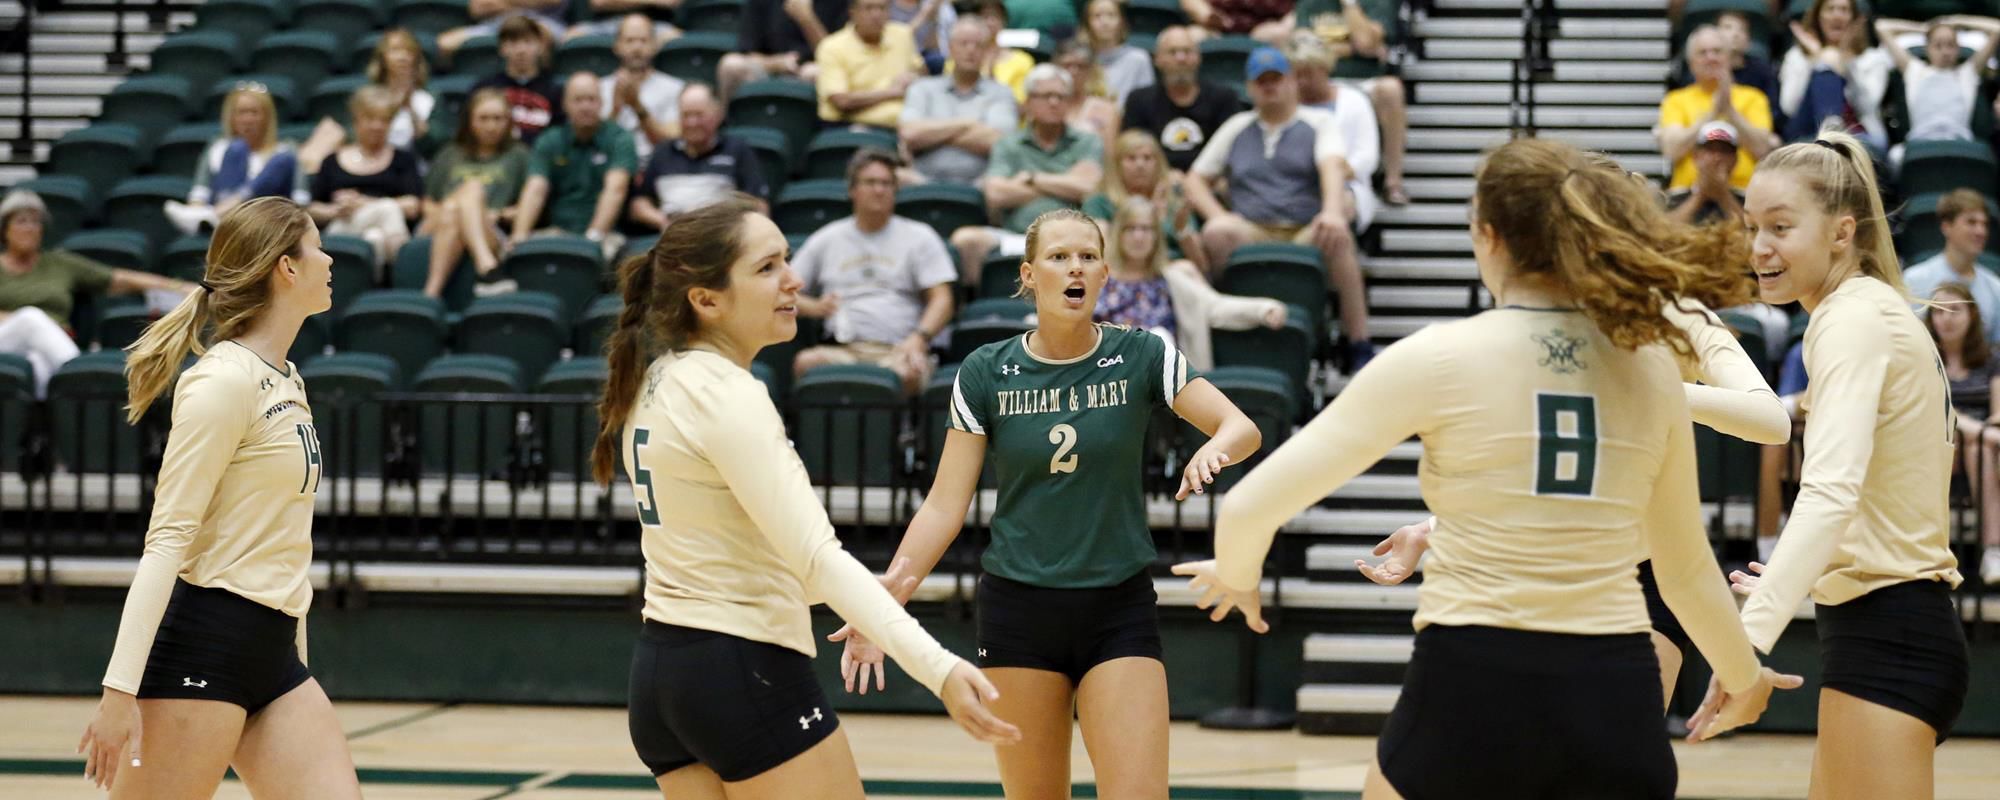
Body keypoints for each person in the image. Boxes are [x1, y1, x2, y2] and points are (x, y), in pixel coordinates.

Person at [1175, 137, 1798, 799]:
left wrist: (1236, 574)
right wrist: (1743, 674)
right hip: (1612, 688)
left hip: (1470, 677)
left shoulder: (1440, 355)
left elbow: (1250, 505)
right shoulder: (1652, 369)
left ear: (1489, 236)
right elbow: (1686, 572)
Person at [590, 196, 1017, 797]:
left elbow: (779, 558)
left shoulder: (657, 378)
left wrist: (869, 607)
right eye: (766, 268)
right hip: (742, 672)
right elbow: (816, 559)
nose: (793, 279)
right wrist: (939, 668)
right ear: (706, 300)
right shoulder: (729, 393)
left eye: (786, 259)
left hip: (663, 674)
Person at [834, 207, 1263, 800]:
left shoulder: (1142, 354)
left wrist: (1213, 450)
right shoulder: (986, 372)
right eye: (1059, 257)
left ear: (1105, 273)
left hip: (1118, 608)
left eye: (1087, 256)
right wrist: (884, 604)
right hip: (1018, 613)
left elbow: (1241, 428)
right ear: (1030, 275)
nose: (1074, 267)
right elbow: (942, 505)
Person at [1358, 155, 1792, 720]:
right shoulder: (1545, 321)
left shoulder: (1681, 314)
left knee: (1614, 758)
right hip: (1552, 556)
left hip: (1653, 559)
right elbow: (1542, 467)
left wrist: (1655, 393)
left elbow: (1771, 421)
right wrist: (1433, 528)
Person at [77, 197, 353, 797]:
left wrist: (295, 645)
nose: (330, 259)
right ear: (286, 267)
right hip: (202, 648)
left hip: (272, 653)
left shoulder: (285, 376)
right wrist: (118, 693)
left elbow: (279, 537)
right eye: (317, 247)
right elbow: (167, 539)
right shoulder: (221, 381)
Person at [1729, 132, 1970, 797]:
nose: (1760, 247)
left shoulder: (1850, 320)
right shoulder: (1863, 311)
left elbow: (1830, 491)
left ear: (1841, 231)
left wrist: (1747, 639)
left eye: (1781, 227)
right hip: (1879, 627)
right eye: (1753, 227)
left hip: (1891, 635)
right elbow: (1777, 420)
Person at [1186, 46, 1374, 369]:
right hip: (1252, 228)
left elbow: (1331, 166)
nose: (1270, 86)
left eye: (1277, 79)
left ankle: (1358, 340)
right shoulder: (1237, 126)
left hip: (1303, 227)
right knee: (1217, 231)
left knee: (1337, 231)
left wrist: (1330, 211)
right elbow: (1195, 179)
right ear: (1249, 87)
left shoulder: (1318, 121)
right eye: (1262, 81)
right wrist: (1219, 215)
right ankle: (1222, 321)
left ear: (1291, 82)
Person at [792, 149, 956, 396]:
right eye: (870, 183)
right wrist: (815, 307)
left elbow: (943, 299)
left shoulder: (920, 236)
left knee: (910, 372)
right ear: (852, 190)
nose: (879, 190)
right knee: (807, 363)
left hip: (899, 350)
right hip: (842, 350)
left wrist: (919, 338)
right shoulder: (826, 239)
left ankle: (905, 434)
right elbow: (782, 292)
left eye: (886, 184)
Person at [0, 190, 193, 397]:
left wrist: (183, 288)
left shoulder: (58, 263)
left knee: (39, 365)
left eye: (36, 222)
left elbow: (120, 279)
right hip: (6, 338)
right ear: (5, 229)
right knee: (31, 318)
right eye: (22, 222)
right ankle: (84, 373)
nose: (30, 229)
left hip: (47, 347)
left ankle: (46, 425)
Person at [948, 64, 1103, 285]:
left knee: (1104, 235)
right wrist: (1067, 182)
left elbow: (1090, 188)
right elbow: (996, 194)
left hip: (1073, 240)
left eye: (1061, 97)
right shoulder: (1008, 144)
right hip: (1018, 236)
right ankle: (979, 311)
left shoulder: (1087, 142)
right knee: (966, 240)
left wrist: (1032, 179)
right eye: (1046, 96)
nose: (1054, 102)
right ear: (1028, 102)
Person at [1100, 196, 1286, 371]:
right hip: (1111, 375)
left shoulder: (1171, 278)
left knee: (1158, 337)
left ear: (1157, 236)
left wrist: (1264, 310)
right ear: (1118, 234)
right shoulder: (1099, 282)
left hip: (1160, 376)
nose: (1138, 237)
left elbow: (1215, 306)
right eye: (1130, 229)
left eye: (1146, 229)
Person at [1256, 0, 1410, 204]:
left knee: (1391, 90)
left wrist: (1350, 5)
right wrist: (1349, 48)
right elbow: (1300, 49)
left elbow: (1365, 43)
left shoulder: (1377, 3)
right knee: (1280, 85)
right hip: (1316, 78)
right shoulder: (1310, 3)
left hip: (1364, 81)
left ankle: (1393, 182)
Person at [510, 72, 638, 262]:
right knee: (526, 255)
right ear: (565, 105)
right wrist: (519, 238)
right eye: (578, 100)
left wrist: (592, 240)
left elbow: (615, 190)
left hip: (606, 235)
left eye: (591, 99)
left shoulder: (620, 138)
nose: (585, 106)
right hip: (557, 232)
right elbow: (535, 189)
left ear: (602, 103)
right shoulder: (550, 140)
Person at [420, 89, 533, 299]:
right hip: (436, 224)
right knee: (468, 192)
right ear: (470, 121)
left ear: (508, 122)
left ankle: (430, 294)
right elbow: (426, 204)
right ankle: (487, 267)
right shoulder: (449, 153)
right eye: (483, 118)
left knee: (458, 208)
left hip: (490, 230)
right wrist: (457, 209)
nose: (491, 126)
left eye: (498, 118)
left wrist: (496, 214)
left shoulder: (520, 155)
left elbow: (528, 207)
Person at [1923, 283, 2000, 584]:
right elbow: (1937, 414)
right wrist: (1981, 432)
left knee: (1977, 448)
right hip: (1937, 447)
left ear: (1972, 315)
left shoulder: (1992, 360)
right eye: (1939, 312)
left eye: (1955, 310)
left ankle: (1993, 552)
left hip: (1984, 451)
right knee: (1973, 442)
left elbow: (1997, 413)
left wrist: (1984, 434)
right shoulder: (1926, 359)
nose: (1947, 319)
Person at [303, 87, 425, 270]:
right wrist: (337, 210)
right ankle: (404, 269)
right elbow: (312, 208)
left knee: (374, 237)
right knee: (388, 208)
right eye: (370, 118)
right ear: (356, 120)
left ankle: (366, 285)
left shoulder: (403, 159)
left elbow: (413, 206)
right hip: (342, 227)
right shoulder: (332, 161)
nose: (377, 126)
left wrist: (364, 203)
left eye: (384, 120)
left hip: (380, 235)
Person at [630, 83, 772, 230]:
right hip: (673, 239)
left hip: (722, 236)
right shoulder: (662, 152)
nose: (692, 123)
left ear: (718, 115)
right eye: (686, 115)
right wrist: (661, 220)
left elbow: (758, 204)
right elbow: (639, 204)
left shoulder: (737, 149)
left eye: (699, 115)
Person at [164, 84, 301, 236]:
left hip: (267, 222)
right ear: (232, 117)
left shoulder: (284, 150)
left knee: (283, 160)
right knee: (237, 148)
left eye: (254, 113)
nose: (248, 119)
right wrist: (195, 210)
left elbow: (300, 200)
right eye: (242, 113)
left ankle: (216, 214)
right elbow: (200, 192)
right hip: (224, 218)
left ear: (267, 117)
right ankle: (217, 217)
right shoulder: (218, 147)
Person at [1657, 25, 1779, 194]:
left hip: (1744, 192)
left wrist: (1730, 112)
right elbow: (1673, 149)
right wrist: (1713, 113)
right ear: (1691, 63)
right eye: (1703, 52)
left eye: (1717, 51)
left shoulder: (1754, 97)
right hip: (1687, 192)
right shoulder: (1676, 100)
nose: (1711, 57)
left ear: (1729, 58)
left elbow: (1762, 150)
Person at [899, 17, 1018, 186]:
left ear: (986, 52)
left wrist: (933, 135)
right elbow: (909, 134)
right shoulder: (922, 88)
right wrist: (968, 125)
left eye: (978, 45)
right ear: (950, 48)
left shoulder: (1001, 93)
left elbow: (1000, 142)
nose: (971, 50)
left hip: (980, 185)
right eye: (964, 43)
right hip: (920, 180)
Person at [1121, 25, 1241, 174]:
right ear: (1157, 59)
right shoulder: (1138, 101)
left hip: (1208, 182)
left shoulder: (1224, 99)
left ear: (1198, 58)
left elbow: (1233, 154)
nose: (1181, 58)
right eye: (1172, 52)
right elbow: (1131, 151)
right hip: (1154, 184)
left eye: (1187, 51)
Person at [1084, 129, 1204, 272]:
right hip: (1124, 275)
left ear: (1158, 164)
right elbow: (1101, 256)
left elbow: (1202, 265)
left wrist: (1182, 230)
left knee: (1185, 269)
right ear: (1116, 165)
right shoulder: (1099, 202)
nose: (1140, 165)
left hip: (1177, 274)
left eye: (1147, 158)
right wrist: (1154, 221)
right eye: (1131, 158)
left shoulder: (1174, 201)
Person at [1779, 0, 1891, 146]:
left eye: (1844, 10)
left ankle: (1832, 127)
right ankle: (1831, 125)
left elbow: (1867, 107)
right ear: (1818, 18)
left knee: (1828, 61)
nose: (1837, 16)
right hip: (1807, 130)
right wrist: (1817, 60)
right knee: (1825, 65)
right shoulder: (1797, 56)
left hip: (1859, 132)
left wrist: (1846, 67)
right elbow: (1789, 107)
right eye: (1830, 9)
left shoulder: (1872, 59)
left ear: (1854, 19)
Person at [1878, 16, 2000, 147]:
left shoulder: (1967, 74)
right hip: (1919, 143)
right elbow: (1882, 27)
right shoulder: (1914, 71)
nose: (1945, 52)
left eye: (1951, 45)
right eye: (1938, 45)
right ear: (1927, 48)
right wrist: (1924, 28)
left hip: (1960, 144)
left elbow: (1997, 29)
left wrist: (1958, 21)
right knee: (1895, 156)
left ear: (1958, 48)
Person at [1904, 187, 2000, 344]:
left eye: (1984, 224)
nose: (1981, 231)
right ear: (1946, 226)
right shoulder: (1914, 280)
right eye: (1971, 222)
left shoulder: (1995, 287)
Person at [814, 0, 924, 129]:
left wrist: (915, 76)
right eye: (868, 8)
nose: (876, 15)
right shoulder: (832, 47)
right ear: (853, 13)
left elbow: (921, 71)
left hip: (909, 123)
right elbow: (841, 100)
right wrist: (892, 92)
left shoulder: (902, 35)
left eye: (882, 8)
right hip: (855, 126)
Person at [716, 0, 847, 102]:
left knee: (812, 72)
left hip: (816, 67)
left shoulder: (841, 3)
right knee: (731, 65)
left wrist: (806, 19)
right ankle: (731, 129)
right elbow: (746, 51)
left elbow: (837, 57)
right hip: (771, 69)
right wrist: (777, 63)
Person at [601, 13, 686, 163]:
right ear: (617, 46)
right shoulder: (599, 87)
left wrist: (638, 107)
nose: (637, 47)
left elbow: (672, 142)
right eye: (630, 41)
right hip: (611, 163)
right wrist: (615, 109)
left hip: (657, 164)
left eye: (643, 40)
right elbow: (596, 145)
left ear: (655, 46)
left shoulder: (675, 88)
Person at [471, 15, 566, 144]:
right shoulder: (484, 88)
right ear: (502, 48)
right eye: (513, 42)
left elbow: (560, 137)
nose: (521, 50)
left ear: (540, 47)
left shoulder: (555, 92)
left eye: (528, 42)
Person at [366, 28, 436, 151]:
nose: (403, 57)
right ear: (382, 58)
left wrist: (411, 111)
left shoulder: (430, 97)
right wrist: (394, 108)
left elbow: (435, 145)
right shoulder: (368, 96)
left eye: (409, 51)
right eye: (395, 50)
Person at [1668, 121, 1749, 225]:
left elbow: (1751, 234)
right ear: (1696, 156)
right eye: (1710, 150)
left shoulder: (1747, 200)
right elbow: (1665, 233)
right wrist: (1700, 195)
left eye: (1724, 151)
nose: (1717, 157)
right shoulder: (1674, 198)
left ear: (1735, 160)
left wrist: (1724, 196)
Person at [1079, 0, 1154, 106]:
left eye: (1111, 15)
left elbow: (1146, 102)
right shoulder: (1080, 60)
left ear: (1122, 22)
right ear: (1087, 23)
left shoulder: (1139, 59)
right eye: (1097, 16)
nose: (1105, 22)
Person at [439, 0, 570, 58]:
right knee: (445, 43)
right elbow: (477, 8)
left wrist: (504, 3)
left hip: (541, 21)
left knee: (540, 35)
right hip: (495, 23)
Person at [1052, 36, 1120, 140]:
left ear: (1090, 70)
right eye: (1067, 65)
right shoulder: (1043, 106)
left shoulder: (1107, 110)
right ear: (1055, 67)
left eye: (1081, 66)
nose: (1074, 72)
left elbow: (1109, 154)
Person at [890, 0, 955, 73]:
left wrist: (934, 19)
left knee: (938, 60)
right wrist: (924, 15)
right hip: (900, 52)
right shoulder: (889, 6)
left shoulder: (926, 4)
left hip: (922, 53)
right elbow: (899, 37)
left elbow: (933, 45)